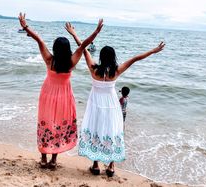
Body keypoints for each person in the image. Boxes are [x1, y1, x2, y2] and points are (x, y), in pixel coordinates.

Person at [65, 22, 165, 177]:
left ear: (101, 57)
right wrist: (153, 51)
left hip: (96, 104)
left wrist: (74, 34)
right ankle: (111, 167)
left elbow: (83, 48)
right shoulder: (116, 71)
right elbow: (135, 59)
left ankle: (96, 165)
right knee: (112, 131)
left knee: (97, 130)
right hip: (111, 105)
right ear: (113, 58)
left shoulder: (94, 69)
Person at [18, 13, 103, 169]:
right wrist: (96, 32)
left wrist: (25, 27)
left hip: (47, 95)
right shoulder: (71, 61)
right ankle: (54, 160)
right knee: (58, 125)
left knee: (46, 124)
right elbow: (84, 45)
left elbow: (39, 39)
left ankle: (43, 158)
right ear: (68, 49)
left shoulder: (50, 60)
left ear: (55, 49)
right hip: (64, 97)